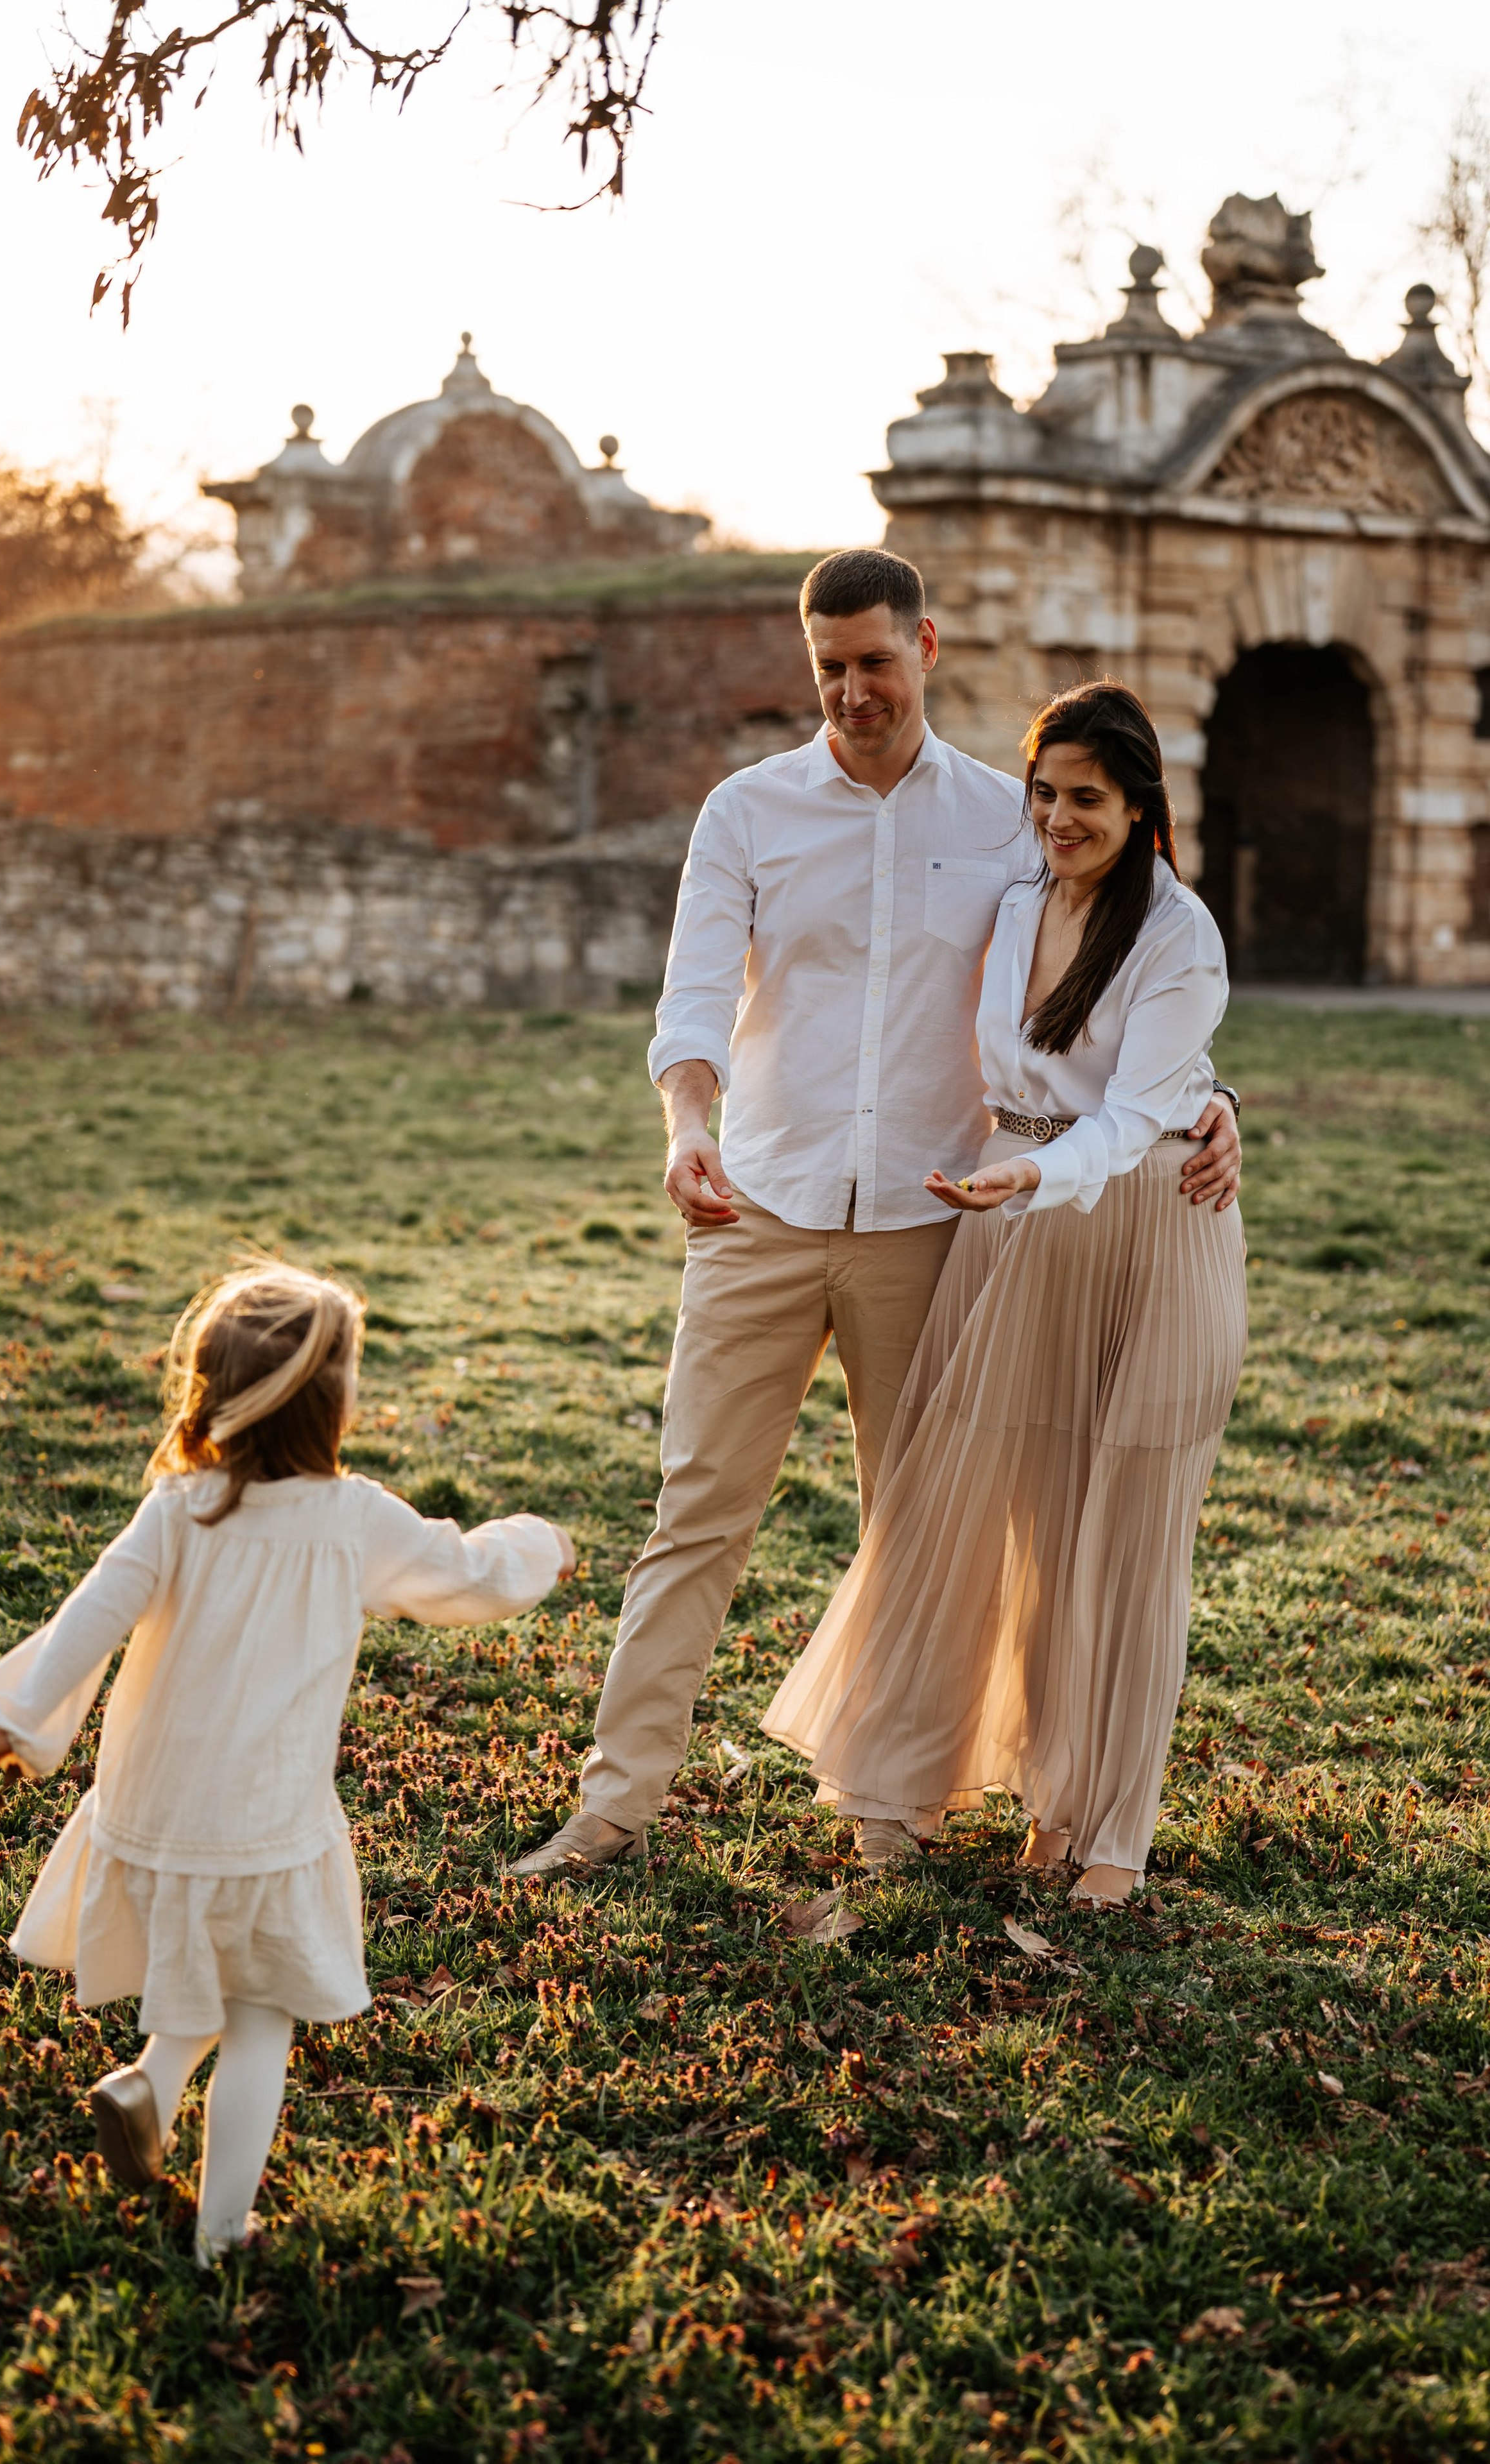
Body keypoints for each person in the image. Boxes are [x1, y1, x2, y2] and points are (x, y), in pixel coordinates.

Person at [509, 552, 1242, 1881]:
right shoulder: (744, 812)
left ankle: (888, 1808)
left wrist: (1207, 1098)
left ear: (926, 646)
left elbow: (1112, 970)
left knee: (922, 1528)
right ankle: (614, 1806)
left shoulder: (1007, 822)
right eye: (828, 668)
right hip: (758, 1210)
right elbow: (688, 1002)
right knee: (694, 1514)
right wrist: (686, 1127)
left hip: (934, 1226)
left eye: (873, 661)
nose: (851, 689)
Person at [0, 1263, 572, 2263]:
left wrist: (6, 1723)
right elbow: (467, 1576)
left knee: (205, 1960)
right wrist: (540, 1544)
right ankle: (224, 2234)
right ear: (332, 1401)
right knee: (260, 2016)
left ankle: (148, 2087)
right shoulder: (352, 1520)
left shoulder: (176, 1508)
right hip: (264, 1820)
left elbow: (86, 1622)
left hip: (153, 1809)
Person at [761, 679, 1248, 1906]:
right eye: (1044, 792)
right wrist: (1018, 1170)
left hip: (1141, 1224)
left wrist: (1081, 1153)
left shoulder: (1179, 934)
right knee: (1025, 1524)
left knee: (1125, 1539)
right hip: (1010, 1224)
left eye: (1087, 798)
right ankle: (1042, 1794)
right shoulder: (1016, 889)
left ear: (1143, 809)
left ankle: (1113, 1832)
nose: (1057, 818)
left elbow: (1142, 1106)